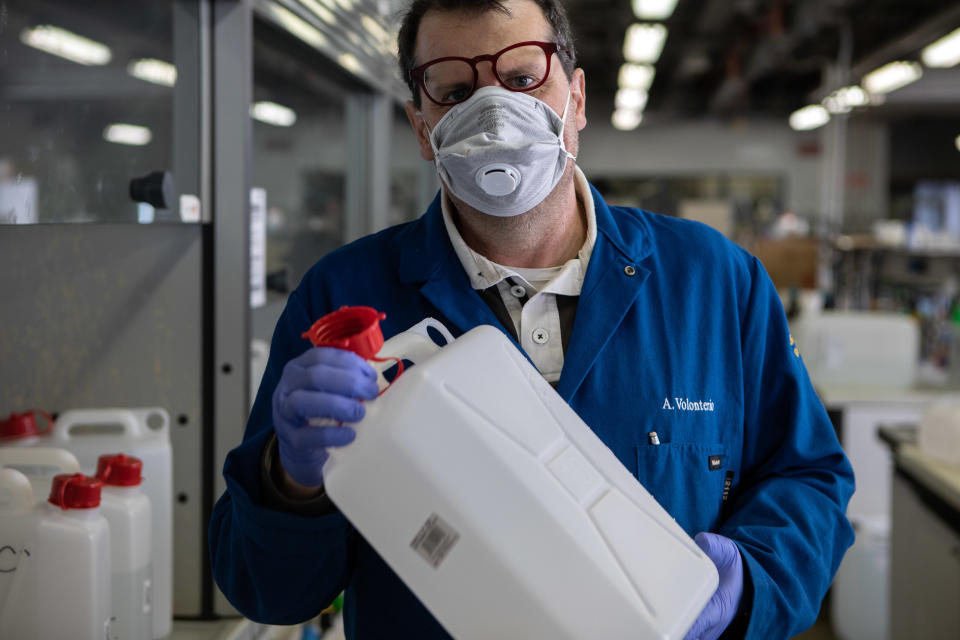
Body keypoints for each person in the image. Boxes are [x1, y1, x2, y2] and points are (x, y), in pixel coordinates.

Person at [209, 0, 855, 638]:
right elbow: (266, 588)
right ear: (420, 126)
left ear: (576, 100)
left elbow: (810, 479)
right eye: (456, 90)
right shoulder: (344, 298)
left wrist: (748, 578)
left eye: (522, 78)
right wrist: (290, 486)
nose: (493, 110)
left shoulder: (714, 283)